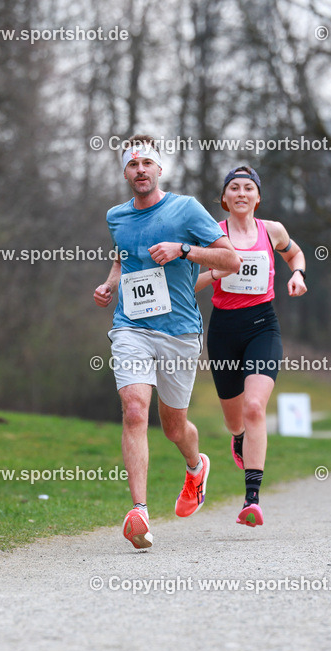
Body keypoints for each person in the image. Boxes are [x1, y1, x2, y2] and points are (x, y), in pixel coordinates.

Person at [93, 135, 241, 550]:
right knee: (135, 411)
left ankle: (196, 467)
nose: (140, 169)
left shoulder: (186, 209)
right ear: (125, 172)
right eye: (132, 164)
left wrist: (184, 249)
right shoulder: (116, 216)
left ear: (160, 169)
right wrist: (108, 286)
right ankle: (139, 511)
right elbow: (124, 256)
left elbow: (231, 260)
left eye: (147, 163)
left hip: (179, 331)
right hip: (131, 327)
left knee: (174, 427)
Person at [193, 166, 307, 527]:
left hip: (263, 328)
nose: (241, 193)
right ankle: (238, 437)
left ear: (258, 197)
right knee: (235, 419)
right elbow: (188, 284)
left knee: (255, 407)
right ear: (224, 198)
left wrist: (298, 275)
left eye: (248, 188)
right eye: (234, 188)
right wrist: (216, 272)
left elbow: (295, 254)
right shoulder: (213, 234)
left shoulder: (272, 231)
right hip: (224, 332)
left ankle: (252, 500)